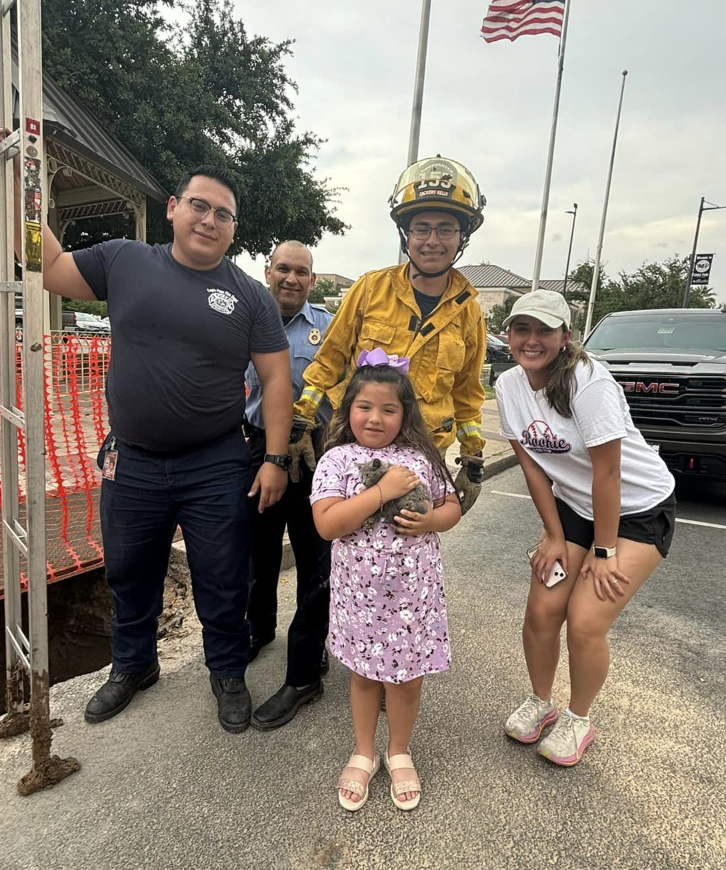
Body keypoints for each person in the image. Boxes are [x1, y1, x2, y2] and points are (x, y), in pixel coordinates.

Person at [17, 157, 293, 733]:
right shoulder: (123, 260)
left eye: (223, 214)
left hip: (216, 461)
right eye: (199, 205)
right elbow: (46, 266)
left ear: (234, 229)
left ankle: (226, 671)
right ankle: (134, 665)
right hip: (132, 459)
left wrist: (273, 458)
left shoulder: (250, 297)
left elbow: (274, 381)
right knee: (128, 568)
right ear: (173, 208)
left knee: (221, 574)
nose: (209, 220)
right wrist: (26, 199)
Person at [495, 290, 676, 766]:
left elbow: (608, 474)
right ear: (508, 333)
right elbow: (532, 467)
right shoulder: (509, 385)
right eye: (522, 329)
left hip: (635, 509)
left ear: (564, 336)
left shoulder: (587, 381)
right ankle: (541, 702)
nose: (531, 340)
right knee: (541, 609)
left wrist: (604, 550)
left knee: (585, 619)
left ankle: (579, 717)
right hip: (574, 506)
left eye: (544, 331)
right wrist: (553, 534)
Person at [290, 156, 488, 514]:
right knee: (353, 546)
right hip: (358, 450)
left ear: (463, 236)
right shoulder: (369, 290)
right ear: (406, 234)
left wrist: (472, 459)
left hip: (425, 455)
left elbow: (467, 393)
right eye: (421, 228)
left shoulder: (469, 312)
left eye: (445, 228)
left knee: (410, 552)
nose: (432, 241)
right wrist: (301, 423)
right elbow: (329, 359)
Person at [310, 351, 462, 811]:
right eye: (365, 407)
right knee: (362, 677)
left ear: (405, 414)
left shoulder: (420, 458)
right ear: (349, 409)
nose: (375, 418)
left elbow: (451, 508)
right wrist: (381, 492)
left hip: (413, 596)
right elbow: (327, 525)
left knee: (406, 680)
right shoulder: (336, 459)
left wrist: (431, 521)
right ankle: (363, 750)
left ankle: (399, 750)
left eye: (389, 409)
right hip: (360, 598)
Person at [243, 240, 334, 730]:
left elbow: (345, 381)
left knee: (315, 555)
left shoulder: (327, 328)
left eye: (302, 271)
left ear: (312, 280)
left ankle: (308, 661)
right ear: (268, 271)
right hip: (255, 446)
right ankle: (259, 630)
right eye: (284, 269)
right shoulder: (245, 320)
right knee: (258, 547)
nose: (292, 279)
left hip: (315, 451)